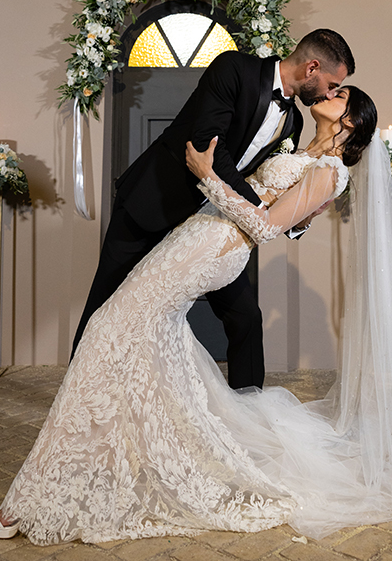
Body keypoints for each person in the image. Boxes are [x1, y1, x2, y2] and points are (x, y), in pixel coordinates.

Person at [0, 86, 392, 544]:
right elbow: (278, 210)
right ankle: (132, 452)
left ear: (350, 121)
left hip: (217, 248)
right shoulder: (298, 147)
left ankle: (30, 496)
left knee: (106, 330)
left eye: (340, 95)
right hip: (198, 234)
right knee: (137, 339)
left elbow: (264, 227)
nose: (329, 93)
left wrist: (206, 175)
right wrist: (286, 211)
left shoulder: (331, 171)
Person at [71, 28, 355, 390]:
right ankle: (78, 393)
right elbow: (206, 143)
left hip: (213, 229)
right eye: (332, 84)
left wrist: (298, 218)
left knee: (246, 318)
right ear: (312, 67)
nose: (331, 93)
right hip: (153, 203)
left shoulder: (293, 122)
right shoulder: (234, 68)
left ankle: (250, 408)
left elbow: (272, 182)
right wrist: (258, 211)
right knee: (106, 301)